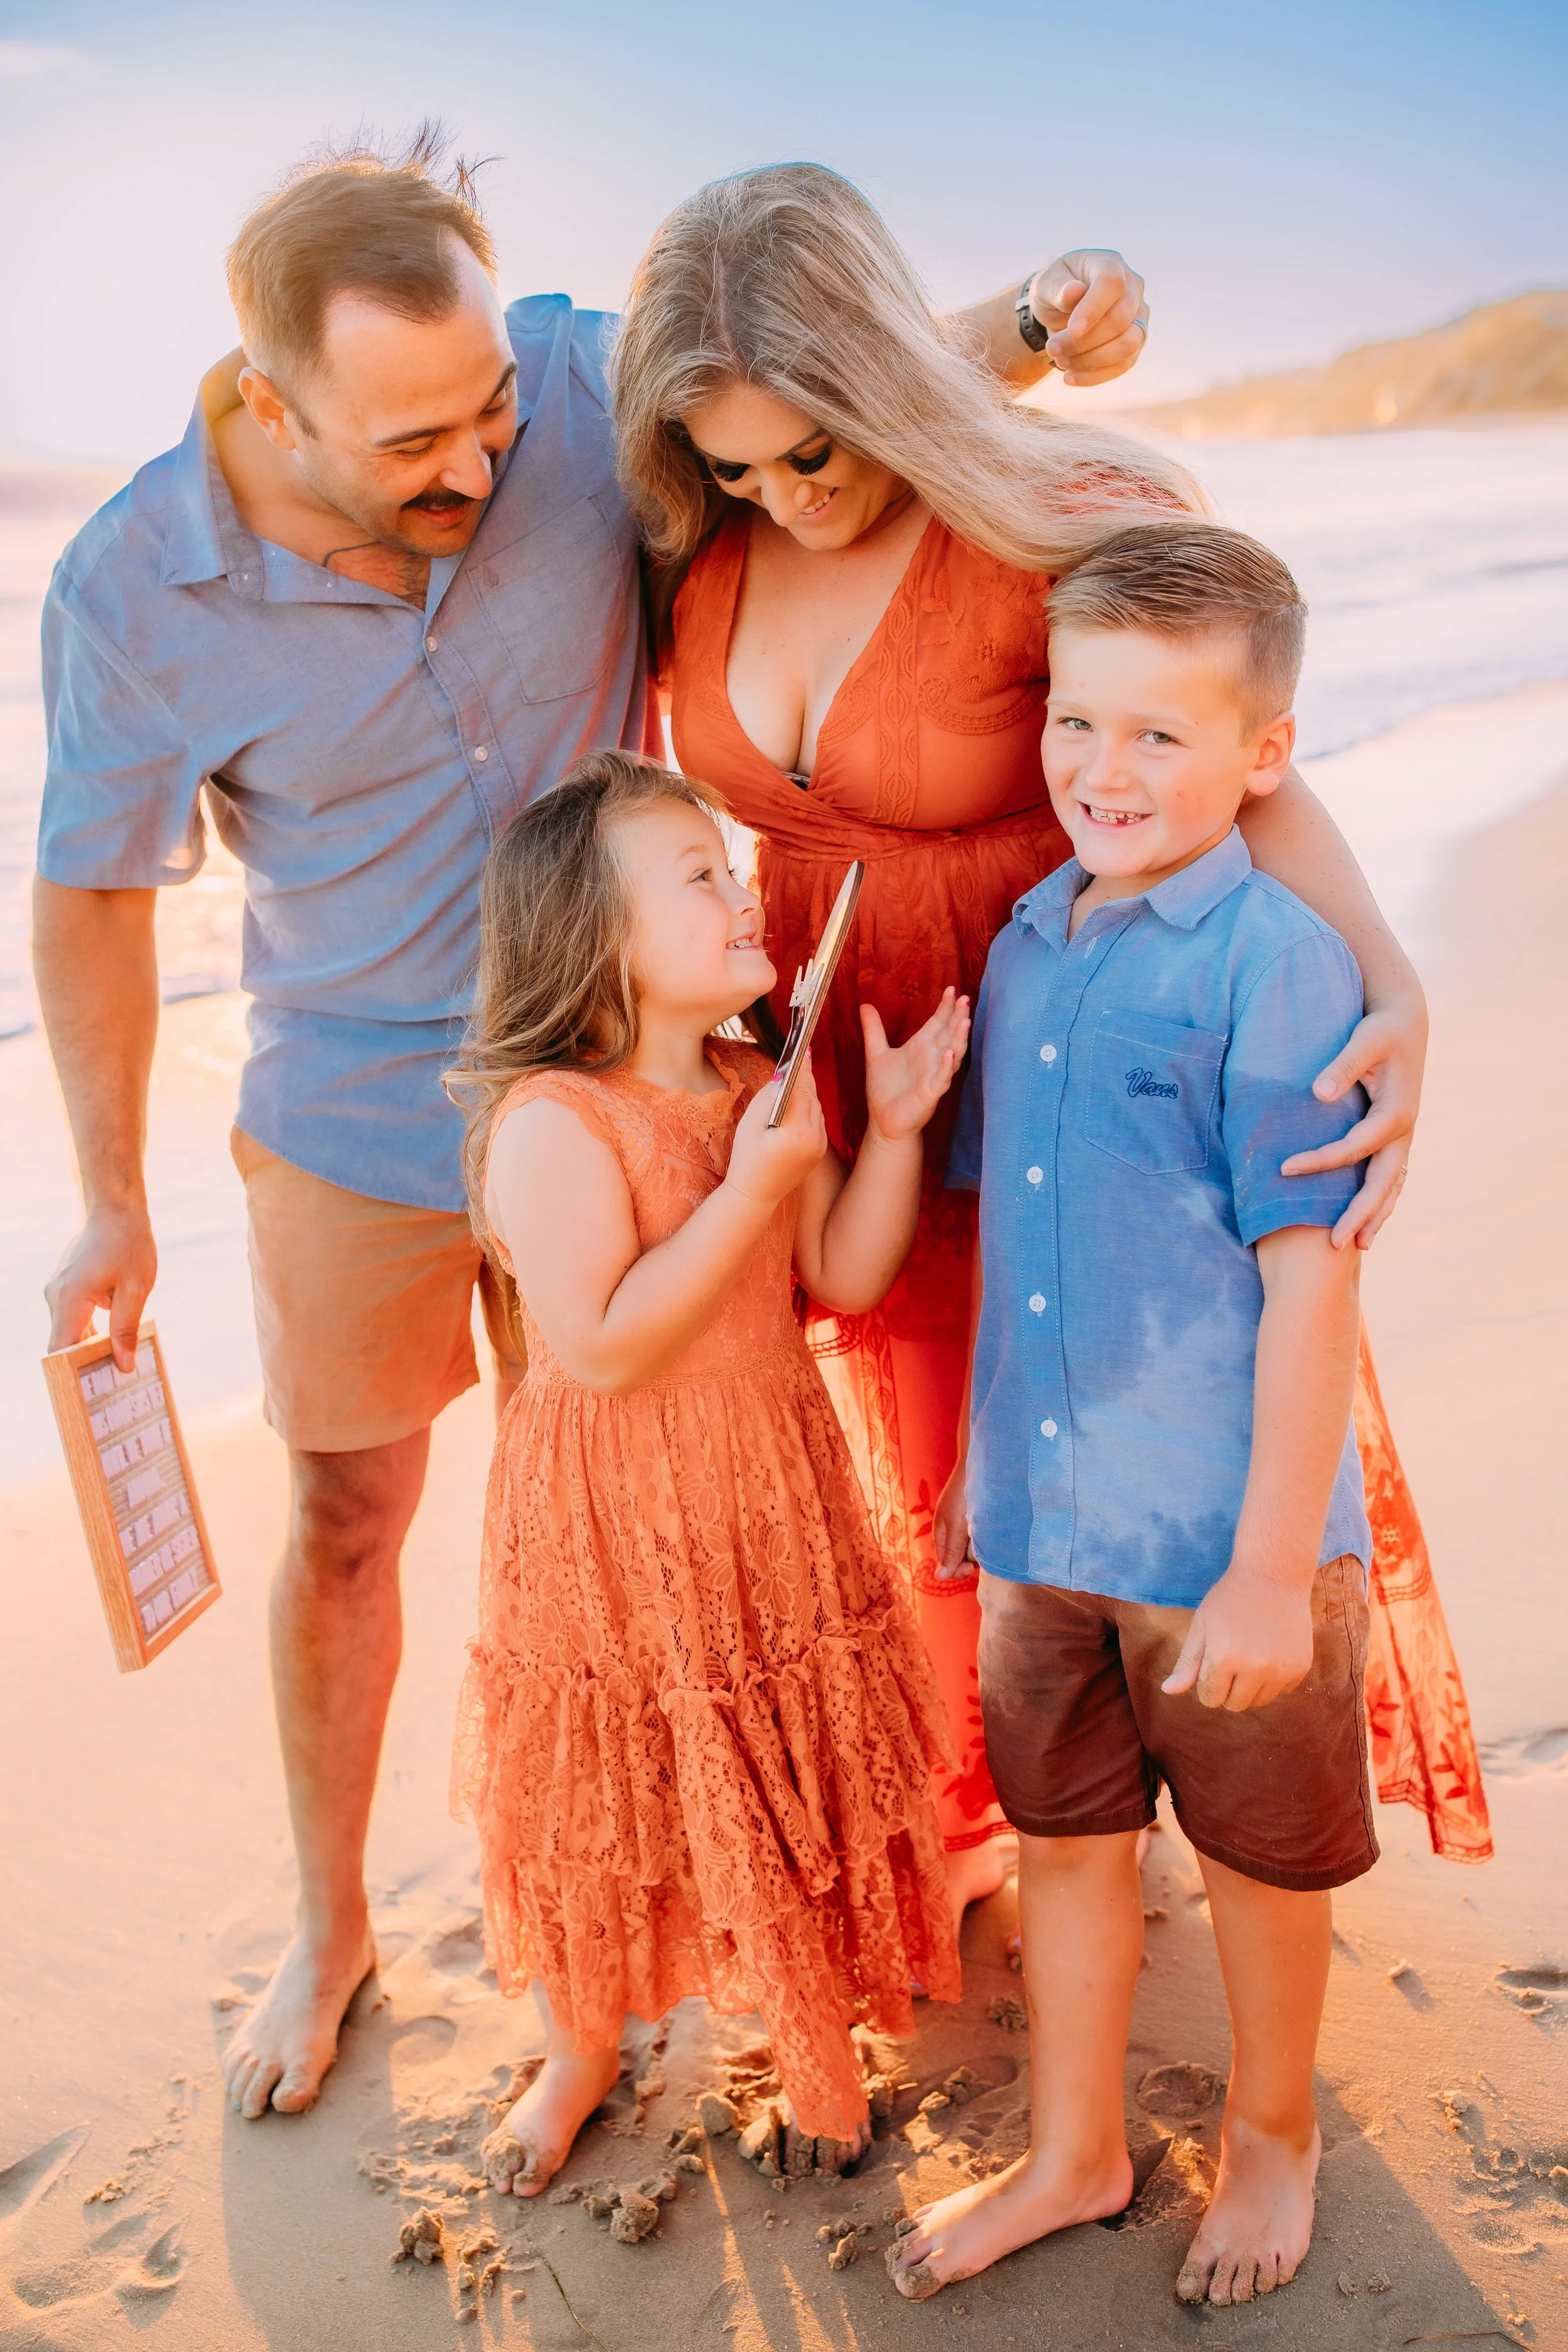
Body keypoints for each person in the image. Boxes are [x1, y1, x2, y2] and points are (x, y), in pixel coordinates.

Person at [33, 129, 1152, 2120]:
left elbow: (809, 376)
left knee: (675, 1527)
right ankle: (331, 1919)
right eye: (415, 448)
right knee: (354, 1513)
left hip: (654, 1091)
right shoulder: (131, 587)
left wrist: (1043, 322)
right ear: (264, 401)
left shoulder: (562, 382)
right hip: (366, 1112)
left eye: (488, 415)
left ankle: (714, 1911)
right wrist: (108, 1197)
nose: (480, 469)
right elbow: (95, 892)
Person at [611, 162, 1490, 1912]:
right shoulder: (687, 546)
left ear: (878, 378)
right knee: (895, 1450)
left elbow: (1228, 747)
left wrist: (1390, 973)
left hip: (1054, 1066)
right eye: (735, 465)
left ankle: (1109, 1804)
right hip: (831, 1084)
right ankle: (979, 1806)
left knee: (1067, 1434)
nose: (784, 497)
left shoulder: (1038, 517)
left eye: (815, 444)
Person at [889, 524, 1385, 2306]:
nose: (1102, 771)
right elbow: (1031, 1242)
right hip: (1042, 1522)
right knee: (1067, 1843)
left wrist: (1267, 1565)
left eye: (1159, 735)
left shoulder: (1274, 958)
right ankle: (1074, 2145)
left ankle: (1271, 2131)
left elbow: (1310, 1275)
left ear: (1265, 753)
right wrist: (978, 1461)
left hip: (1221, 1541)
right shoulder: (1029, 946)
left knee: (1258, 1861)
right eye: (1075, 722)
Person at [445, 750, 966, 2187]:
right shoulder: (553, 1123)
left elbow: (840, 1275)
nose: (745, 896)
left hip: (759, 1490)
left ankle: (814, 2050)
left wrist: (895, 1136)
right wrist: (746, 1182)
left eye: (733, 870)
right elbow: (604, 1348)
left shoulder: (752, 1082)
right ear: (596, 938)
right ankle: (579, 2052)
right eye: (700, 878)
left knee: (767, 1758)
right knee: (603, 1788)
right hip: (612, 1516)